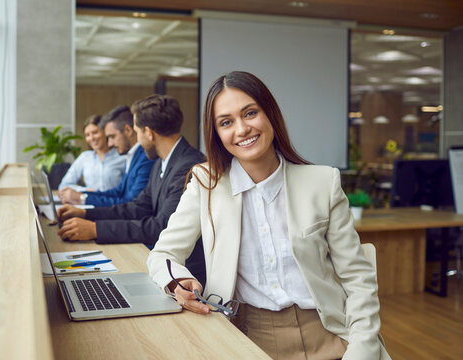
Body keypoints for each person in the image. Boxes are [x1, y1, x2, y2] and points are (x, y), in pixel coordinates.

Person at [147, 71, 390, 360]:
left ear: (270, 114)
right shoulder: (206, 183)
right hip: (249, 338)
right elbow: (163, 254)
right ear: (217, 133)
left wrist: (361, 351)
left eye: (250, 113)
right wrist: (177, 282)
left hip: (332, 334)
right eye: (226, 122)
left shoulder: (322, 182)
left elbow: (358, 278)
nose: (242, 129)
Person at [57, 95, 207, 286]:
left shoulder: (188, 166)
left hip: (184, 276)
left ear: (149, 133)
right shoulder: (162, 161)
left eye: (137, 132)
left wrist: (96, 229)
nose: (137, 139)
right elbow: (137, 207)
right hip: (162, 264)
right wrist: (87, 213)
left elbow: (162, 226)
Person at [59, 105, 154, 206]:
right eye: (87, 135)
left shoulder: (144, 157)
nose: (110, 143)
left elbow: (131, 203)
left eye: (112, 137)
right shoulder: (132, 155)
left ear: (128, 131)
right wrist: (83, 195)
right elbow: (118, 191)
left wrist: (82, 198)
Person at [57, 115, 125, 196]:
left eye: (95, 132)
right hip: (89, 204)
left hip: (114, 205)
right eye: (87, 135)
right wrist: (86, 190)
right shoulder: (85, 157)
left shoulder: (121, 156)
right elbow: (64, 186)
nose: (91, 138)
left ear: (105, 132)